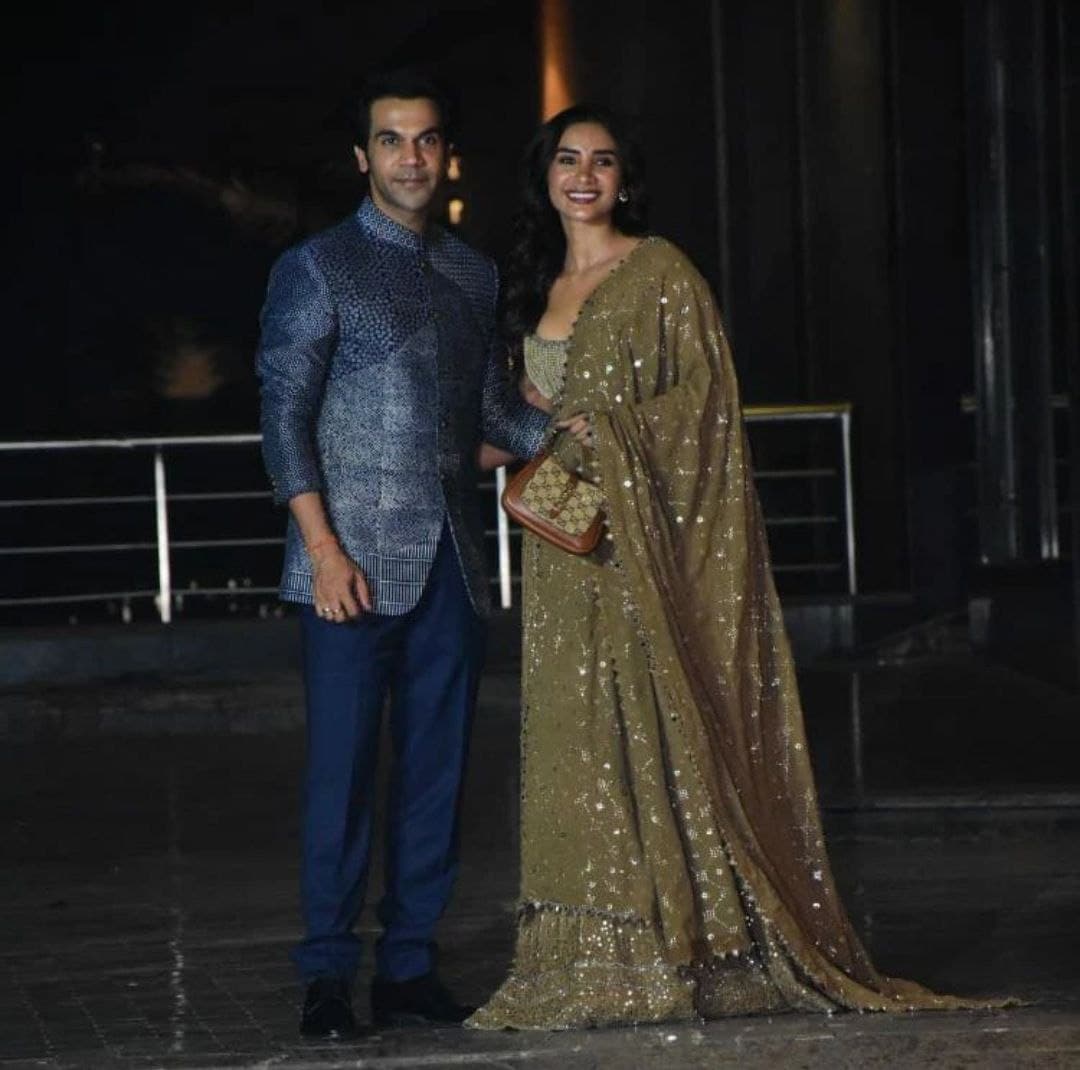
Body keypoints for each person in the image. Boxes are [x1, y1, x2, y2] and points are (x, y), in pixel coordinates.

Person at [469, 104, 1005, 1030]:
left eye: (603, 162)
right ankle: (592, 955)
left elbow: (710, 406)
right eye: (568, 160)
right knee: (577, 748)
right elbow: (519, 415)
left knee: (663, 728)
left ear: (625, 180)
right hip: (564, 558)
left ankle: (698, 948)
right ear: (545, 175)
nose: (585, 176)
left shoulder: (662, 272)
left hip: (645, 553)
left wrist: (620, 429)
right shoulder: (531, 285)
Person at [256, 70, 549, 1040]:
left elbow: (493, 418)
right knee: (339, 777)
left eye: (426, 141)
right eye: (392, 140)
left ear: (445, 155)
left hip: (454, 568)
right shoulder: (318, 264)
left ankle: (410, 966)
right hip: (345, 572)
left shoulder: (473, 274)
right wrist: (323, 547)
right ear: (362, 156)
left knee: (435, 775)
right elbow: (283, 418)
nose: (411, 157)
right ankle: (329, 974)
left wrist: (581, 418)